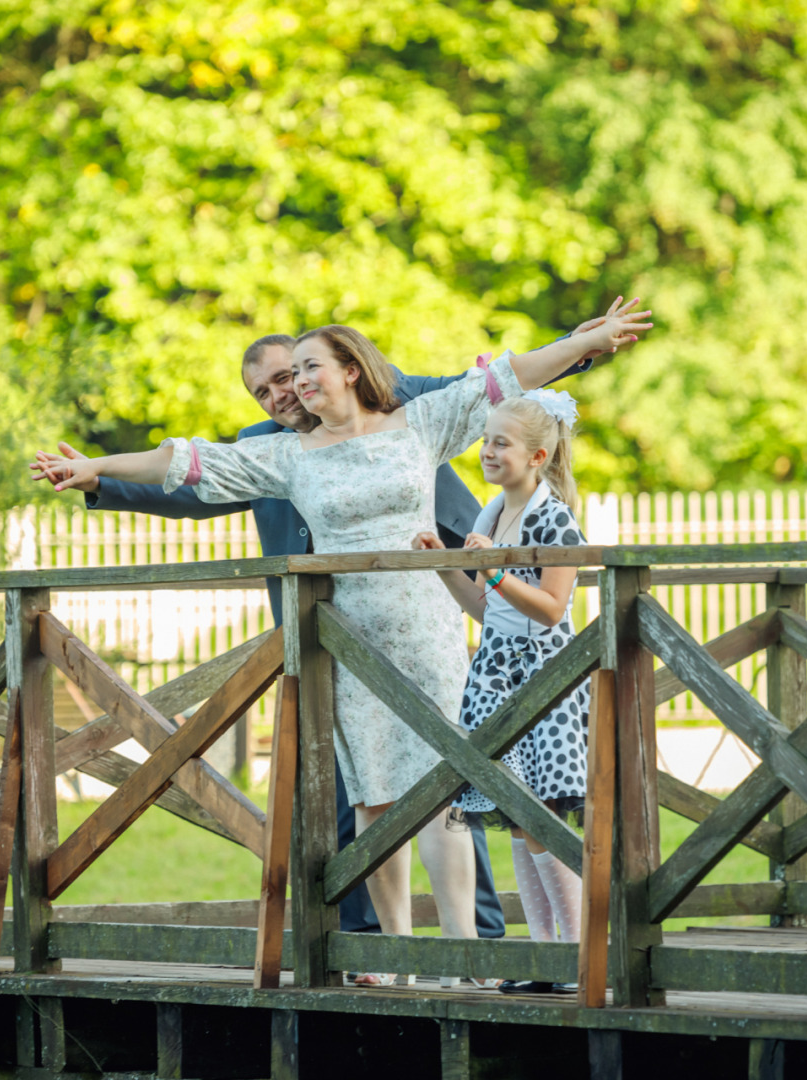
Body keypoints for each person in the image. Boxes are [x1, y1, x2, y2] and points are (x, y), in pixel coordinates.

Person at [32, 300, 651, 986]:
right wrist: (97, 469)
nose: (293, 384)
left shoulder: (418, 422)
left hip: (427, 627)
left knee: (446, 788)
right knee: (377, 794)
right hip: (348, 638)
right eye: (288, 374)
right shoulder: (286, 455)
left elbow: (504, 378)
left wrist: (585, 338)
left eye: (307, 368)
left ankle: (459, 955)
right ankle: (397, 955)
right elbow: (188, 463)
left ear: (351, 370)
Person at [413, 387, 592, 994]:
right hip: (494, 670)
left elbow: (550, 610)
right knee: (514, 814)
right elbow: (487, 613)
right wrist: (448, 565)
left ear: (538, 456)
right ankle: (543, 960)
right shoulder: (490, 515)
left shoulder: (554, 518)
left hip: (542, 672)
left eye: (501, 442)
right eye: (485, 440)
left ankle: (574, 956)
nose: (487, 451)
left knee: (541, 813)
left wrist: (493, 569)